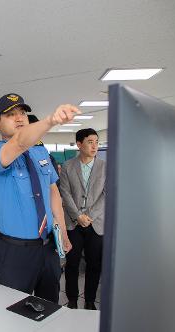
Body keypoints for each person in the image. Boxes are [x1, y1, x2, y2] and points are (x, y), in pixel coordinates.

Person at [0, 93, 79, 303]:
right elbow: (18, 143)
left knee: (50, 306)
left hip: (47, 247)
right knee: (15, 311)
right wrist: (51, 120)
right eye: (10, 115)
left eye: (22, 113)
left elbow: (53, 191)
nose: (19, 118)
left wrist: (62, 231)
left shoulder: (40, 153)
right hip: (16, 251)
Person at [59, 128, 106, 310]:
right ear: (79, 144)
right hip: (73, 223)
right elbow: (65, 192)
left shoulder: (105, 167)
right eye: (90, 142)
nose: (94, 146)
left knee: (94, 264)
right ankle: (71, 299)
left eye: (96, 142)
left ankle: (89, 300)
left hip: (96, 224)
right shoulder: (68, 166)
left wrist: (89, 216)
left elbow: (106, 194)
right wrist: (78, 216)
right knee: (72, 263)